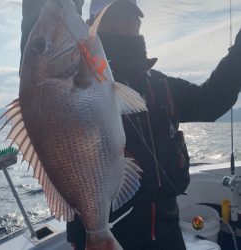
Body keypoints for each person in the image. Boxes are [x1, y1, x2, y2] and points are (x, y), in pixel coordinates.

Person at [19, 0, 241, 249]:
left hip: (166, 230)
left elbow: (210, 101)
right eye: (112, 17)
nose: (122, 24)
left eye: (129, 17)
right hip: (96, 228)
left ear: (139, 24)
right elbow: (39, 34)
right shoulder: (50, 77)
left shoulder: (159, 85)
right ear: (92, 24)